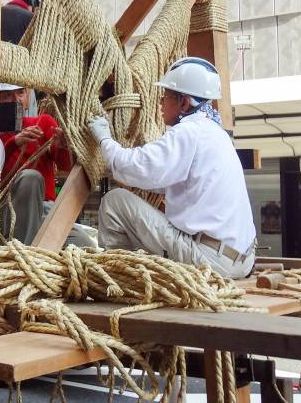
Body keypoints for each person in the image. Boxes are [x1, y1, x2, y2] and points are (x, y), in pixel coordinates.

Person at [89, 57, 256, 280]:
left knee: (114, 201)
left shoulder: (187, 133)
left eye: (165, 96)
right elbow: (167, 180)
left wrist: (104, 139)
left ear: (184, 103)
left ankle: (120, 278)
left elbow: (134, 166)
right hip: (241, 260)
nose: (160, 103)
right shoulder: (215, 133)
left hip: (210, 261)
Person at [0, 85, 94, 248]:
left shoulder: (43, 122)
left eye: (20, 93)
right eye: (7, 95)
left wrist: (62, 146)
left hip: (45, 210)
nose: (16, 100)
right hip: (10, 209)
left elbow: (66, 166)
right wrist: (14, 143)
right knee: (30, 177)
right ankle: (23, 256)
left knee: (85, 245)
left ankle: (26, 250)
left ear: (28, 97)